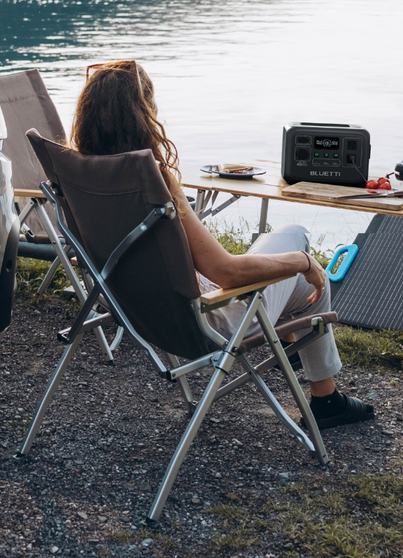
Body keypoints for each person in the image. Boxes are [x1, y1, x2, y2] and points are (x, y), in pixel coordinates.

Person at [68, 60, 375, 428]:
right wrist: (304, 262)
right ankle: (325, 399)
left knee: (278, 246)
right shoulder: (152, 180)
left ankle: (292, 344)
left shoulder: (78, 176)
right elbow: (226, 273)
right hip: (206, 321)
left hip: (138, 312)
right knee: (298, 247)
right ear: (143, 115)